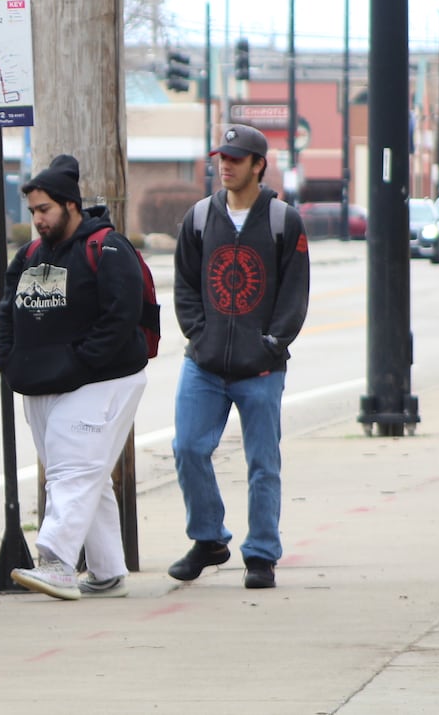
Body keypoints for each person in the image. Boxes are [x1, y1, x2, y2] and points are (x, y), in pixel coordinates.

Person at [0, 154, 150, 601]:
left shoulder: (109, 248)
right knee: (85, 475)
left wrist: (80, 363)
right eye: (32, 212)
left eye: (44, 210)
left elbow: (121, 318)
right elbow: (8, 313)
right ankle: (106, 572)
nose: (37, 220)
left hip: (103, 380)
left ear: (70, 205)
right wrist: (8, 358)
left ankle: (58, 562)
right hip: (41, 383)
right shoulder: (28, 255)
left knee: (73, 470)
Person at [170, 124, 310, 590]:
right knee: (188, 448)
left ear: (257, 166)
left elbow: (294, 293)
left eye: (235, 158)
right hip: (204, 364)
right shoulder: (197, 218)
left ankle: (262, 554)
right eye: (221, 158)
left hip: (261, 368)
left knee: (262, 463)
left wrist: (273, 343)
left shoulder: (282, 221)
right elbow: (186, 286)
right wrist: (198, 334)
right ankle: (209, 539)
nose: (225, 165)